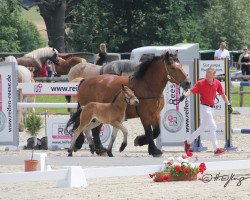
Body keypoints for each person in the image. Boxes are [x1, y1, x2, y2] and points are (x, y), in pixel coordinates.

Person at [179, 67, 233, 155]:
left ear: (214, 76)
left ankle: (187, 142)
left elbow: (223, 94)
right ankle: (216, 149)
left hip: (211, 108)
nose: (207, 78)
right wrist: (184, 96)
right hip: (204, 107)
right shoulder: (201, 83)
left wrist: (229, 104)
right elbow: (191, 91)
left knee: (202, 128)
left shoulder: (217, 83)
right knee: (213, 126)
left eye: (209, 76)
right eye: (206, 75)